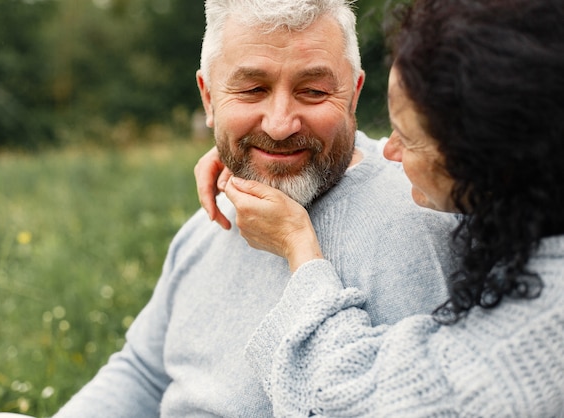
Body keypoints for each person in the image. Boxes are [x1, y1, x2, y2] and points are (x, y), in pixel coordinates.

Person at [0, 1, 457, 417]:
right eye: (252, 90)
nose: (279, 124)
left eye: (313, 91)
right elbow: (144, 374)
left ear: (353, 94)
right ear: (209, 97)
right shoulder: (213, 215)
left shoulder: (410, 221)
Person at [193, 0, 564, 415]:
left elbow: (356, 401)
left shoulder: (545, 325)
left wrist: (298, 247)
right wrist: (259, 148)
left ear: (491, 159)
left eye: (409, 137)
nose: (387, 150)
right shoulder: (529, 214)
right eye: (250, 90)